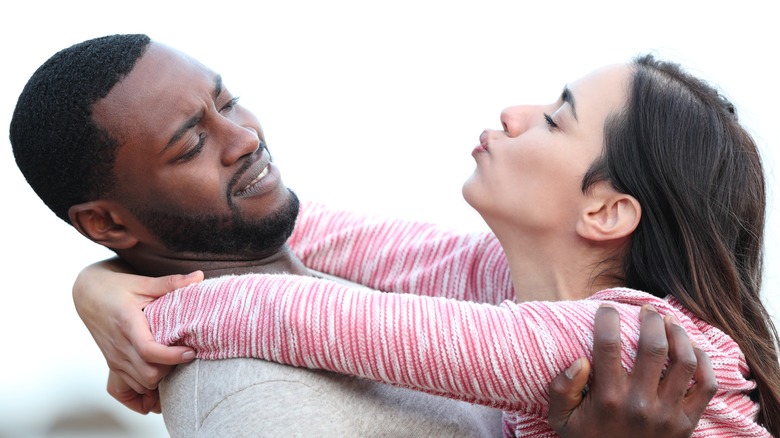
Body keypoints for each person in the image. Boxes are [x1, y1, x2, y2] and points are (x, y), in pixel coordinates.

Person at [11, 33, 713, 436]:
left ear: (609, 213)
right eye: (191, 141)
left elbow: (324, 265)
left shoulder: (587, 333)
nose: (245, 137)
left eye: (227, 102)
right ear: (106, 222)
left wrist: (118, 287)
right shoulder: (247, 394)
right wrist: (108, 285)